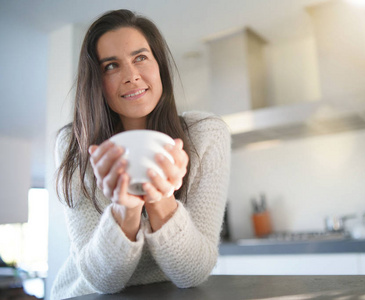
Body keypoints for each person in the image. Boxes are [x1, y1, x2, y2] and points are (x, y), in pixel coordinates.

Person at [51, 9, 230, 300]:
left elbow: (194, 272)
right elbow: (100, 280)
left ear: (159, 65)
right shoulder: (74, 143)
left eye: (140, 58)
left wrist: (161, 201)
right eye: (111, 66)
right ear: (96, 80)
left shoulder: (205, 135)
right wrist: (126, 209)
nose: (131, 76)